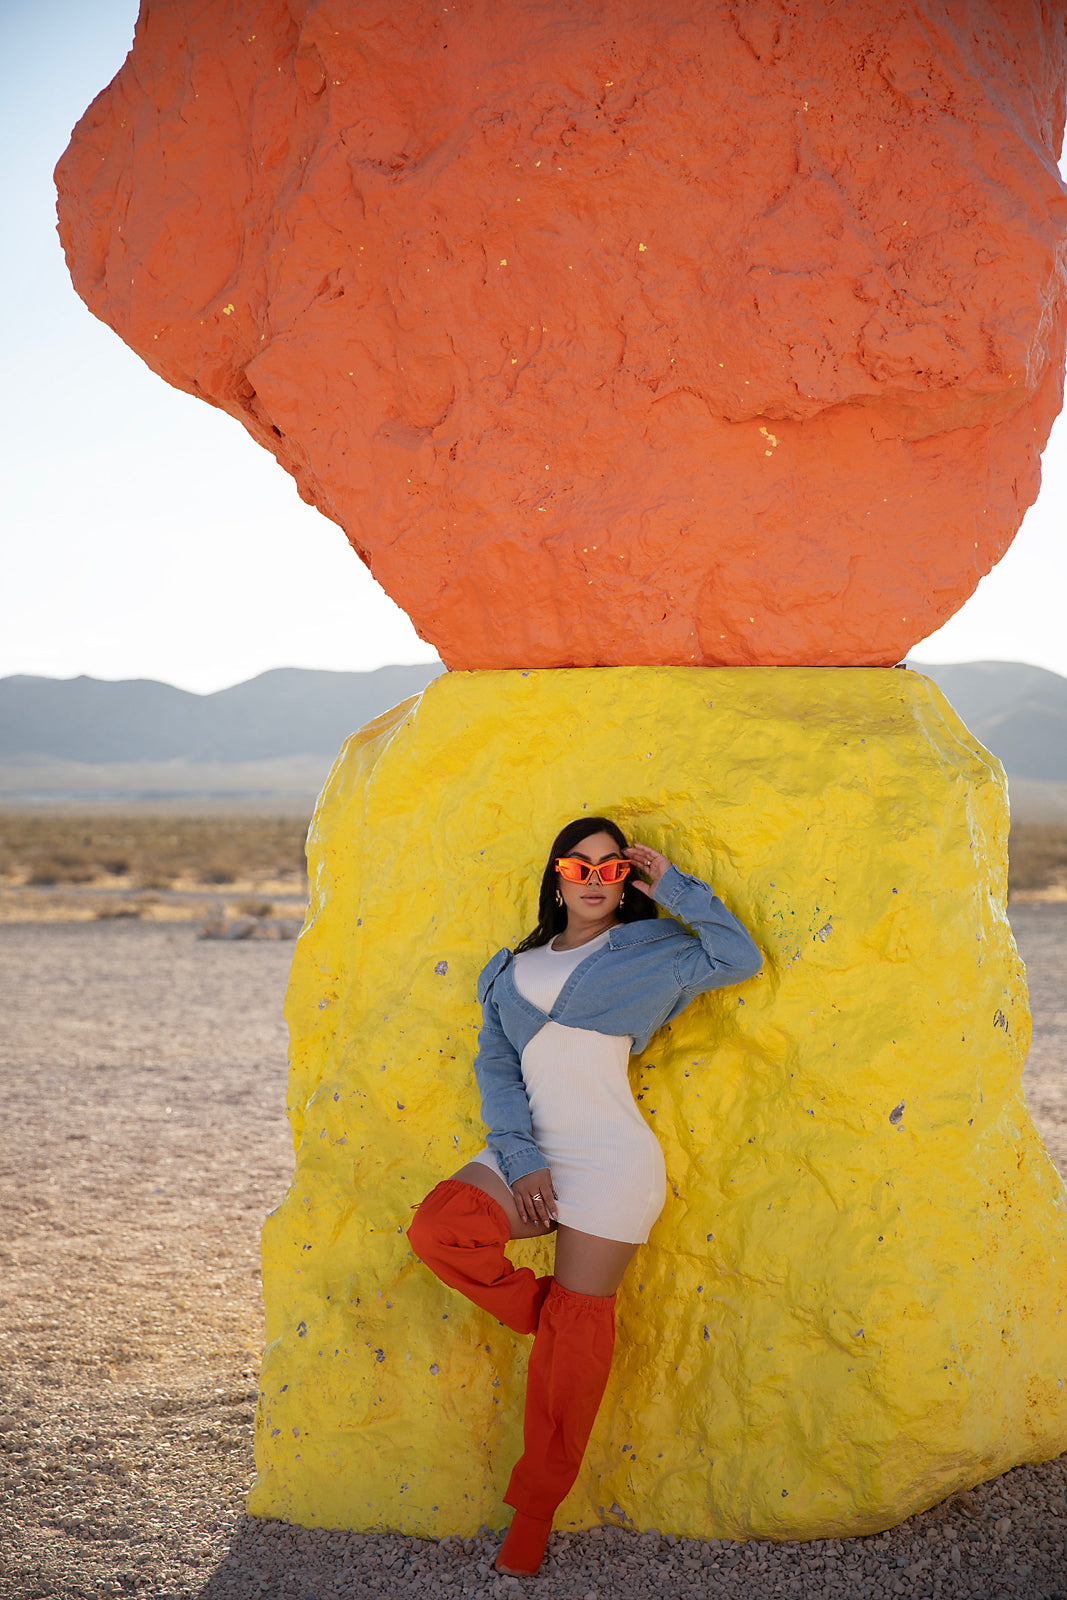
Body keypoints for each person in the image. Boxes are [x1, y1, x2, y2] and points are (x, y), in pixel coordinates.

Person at [407, 816, 762, 1576]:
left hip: (610, 1159)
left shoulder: (653, 951)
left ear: (625, 879)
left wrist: (670, 886)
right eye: (580, 865)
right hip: (525, 1150)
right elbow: (496, 1072)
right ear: (556, 874)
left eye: (613, 868)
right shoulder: (507, 968)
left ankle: (531, 1521)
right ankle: (542, 1314)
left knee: (572, 1357)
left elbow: (737, 955)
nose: (596, 879)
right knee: (440, 1229)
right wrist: (522, 1159)